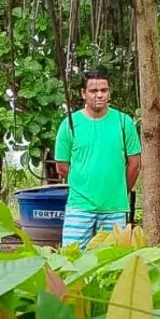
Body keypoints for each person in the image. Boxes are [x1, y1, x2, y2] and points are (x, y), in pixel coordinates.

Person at [53, 69, 142, 248]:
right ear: (83, 94)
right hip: (78, 207)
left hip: (115, 208)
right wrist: (84, 184)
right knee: (72, 262)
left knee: (111, 265)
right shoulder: (69, 124)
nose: (99, 95)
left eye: (104, 90)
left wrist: (119, 191)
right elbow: (61, 167)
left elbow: (135, 165)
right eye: (93, 91)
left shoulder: (124, 122)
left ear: (109, 93)